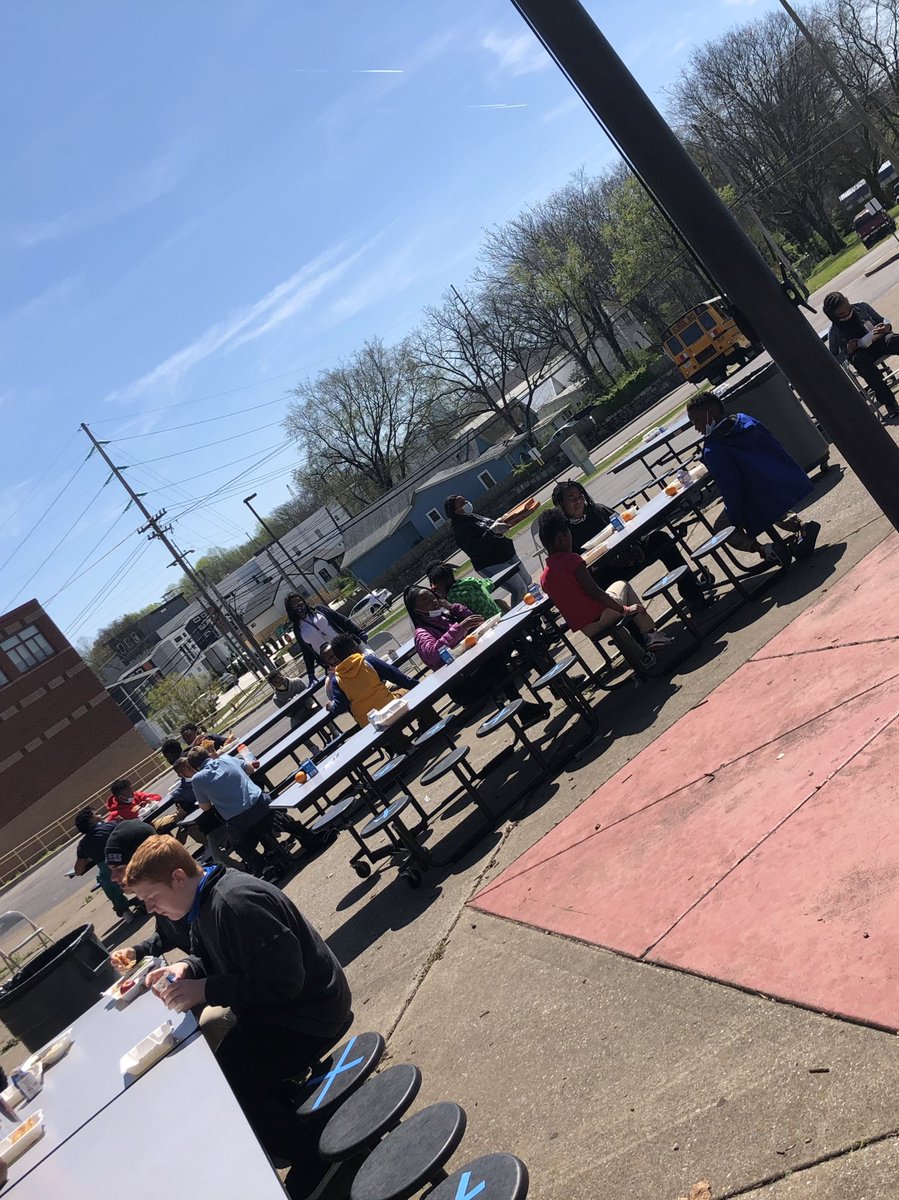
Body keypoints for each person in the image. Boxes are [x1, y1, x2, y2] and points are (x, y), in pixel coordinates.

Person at [128, 837, 352, 1198]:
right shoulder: (202, 905)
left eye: (152, 897)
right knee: (219, 1068)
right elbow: (223, 961)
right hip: (281, 1011)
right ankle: (298, 1118)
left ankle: (316, 1155)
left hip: (312, 1012)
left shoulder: (236, 903)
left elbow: (283, 984)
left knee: (229, 1087)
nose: (151, 909)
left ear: (179, 877)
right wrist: (188, 968)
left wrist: (205, 990)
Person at [105, 821, 235, 1049]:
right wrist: (138, 951)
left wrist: (201, 985)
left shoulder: (210, 900)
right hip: (221, 979)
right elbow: (169, 937)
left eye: (119, 869)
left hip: (241, 990)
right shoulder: (167, 899)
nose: (114, 878)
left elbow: (266, 977)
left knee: (204, 1026)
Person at [686, 394, 820, 566]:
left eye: (696, 421)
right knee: (763, 499)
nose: (696, 428)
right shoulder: (745, 420)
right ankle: (800, 527)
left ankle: (765, 550)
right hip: (779, 477)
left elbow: (731, 489)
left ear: (709, 414)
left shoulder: (714, 449)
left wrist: (734, 515)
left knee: (722, 526)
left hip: (759, 496)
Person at [551, 479, 709, 614]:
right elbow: (578, 564)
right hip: (607, 572)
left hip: (631, 554)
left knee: (661, 539)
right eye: (571, 499)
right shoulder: (565, 533)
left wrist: (635, 546)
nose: (577, 501)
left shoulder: (598, 510)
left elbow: (627, 526)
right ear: (561, 505)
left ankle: (693, 595)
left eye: (580, 496)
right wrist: (612, 562)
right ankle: (641, 635)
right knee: (602, 587)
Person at [403, 585, 548, 727]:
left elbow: (474, 620)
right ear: (417, 610)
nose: (433, 602)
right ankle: (523, 709)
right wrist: (460, 629)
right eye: (426, 601)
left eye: (433, 597)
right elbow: (433, 655)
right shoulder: (422, 633)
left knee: (517, 643)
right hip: (463, 683)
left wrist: (453, 608)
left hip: (477, 666)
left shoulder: (446, 616)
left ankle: (552, 685)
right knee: (494, 660)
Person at [538, 509, 674, 650]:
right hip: (603, 616)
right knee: (622, 586)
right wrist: (624, 609)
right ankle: (651, 634)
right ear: (562, 538)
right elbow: (594, 591)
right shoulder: (572, 560)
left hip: (587, 628)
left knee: (611, 611)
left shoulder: (544, 579)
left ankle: (641, 655)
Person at [184, 746, 282, 876]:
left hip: (240, 820)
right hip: (262, 803)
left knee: (238, 842)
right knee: (256, 820)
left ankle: (262, 867)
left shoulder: (197, 779)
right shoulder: (225, 758)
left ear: (194, 767)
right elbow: (250, 768)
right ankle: (274, 846)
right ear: (208, 755)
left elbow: (205, 807)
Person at [443, 494, 533, 605]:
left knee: (527, 582)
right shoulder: (460, 529)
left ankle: (542, 614)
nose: (466, 503)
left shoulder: (473, 517)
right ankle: (525, 621)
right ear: (455, 511)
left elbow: (490, 525)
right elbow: (475, 548)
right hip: (491, 563)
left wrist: (503, 520)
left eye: (465, 500)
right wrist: (492, 531)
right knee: (519, 589)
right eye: (462, 503)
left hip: (508, 554)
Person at [823, 291, 899, 417]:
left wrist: (886, 327)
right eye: (841, 313)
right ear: (834, 315)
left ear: (847, 300)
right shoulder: (834, 331)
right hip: (862, 355)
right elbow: (834, 359)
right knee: (861, 362)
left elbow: (882, 320)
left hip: (878, 341)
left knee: (893, 340)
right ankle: (890, 403)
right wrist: (848, 350)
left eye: (847, 308)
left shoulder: (862, 307)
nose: (847, 313)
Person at [327, 631, 416, 727]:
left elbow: (340, 707)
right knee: (407, 692)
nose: (360, 648)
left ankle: (400, 740)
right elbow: (397, 676)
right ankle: (427, 721)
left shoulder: (337, 679)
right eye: (357, 646)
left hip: (369, 723)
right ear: (352, 650)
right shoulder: (367, 661)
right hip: (389, 709)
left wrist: (330, 706)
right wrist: (418, 685)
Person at [285, 592, 366, 684]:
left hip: (345, 649)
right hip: (330, 660)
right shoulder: (297, 628)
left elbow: (342, 620)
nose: (297, 604)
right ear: (290, 608)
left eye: (299, 600)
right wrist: (311, 673)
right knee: (351, 683)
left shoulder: (319, 610)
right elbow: (306, 652)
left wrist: (359, 632)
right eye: (293, 603)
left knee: (364, 671)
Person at [73, 808, 138, 922]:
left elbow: (78, 871)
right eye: (95, 814)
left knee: (104, 878)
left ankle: (123, 909)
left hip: (111, 876)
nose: (99, 814)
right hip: (128, 862)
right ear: (91, 820)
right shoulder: (110, 826)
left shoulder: (83, 845)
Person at [426, 560, 505, 618]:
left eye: (435, 586)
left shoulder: (453, 597)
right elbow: (489, 583)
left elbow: (463, 618)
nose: (435, 589)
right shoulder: (469, 581)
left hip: (490, 625)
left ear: (441, 583)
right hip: (500, 615)